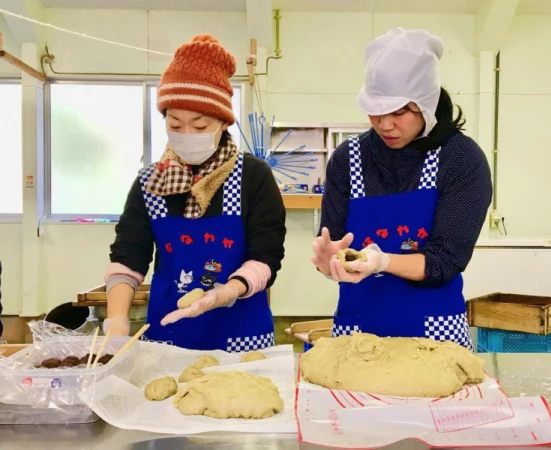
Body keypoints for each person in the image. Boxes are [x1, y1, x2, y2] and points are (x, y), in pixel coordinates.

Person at [310, 28, 492, 351]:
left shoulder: (462, 160)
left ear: (427, 104)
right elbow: (337, 247)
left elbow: (443, 262)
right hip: (357, 333)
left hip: (437, 336)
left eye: (400, 111)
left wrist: (382, 262)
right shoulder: (346, 161)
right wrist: (330, 264)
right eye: (376, 110)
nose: (385, 124)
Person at [104, 35, 286, 351]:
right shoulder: (151, 183)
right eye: (175, 123)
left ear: (222, 122)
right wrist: (117, 319)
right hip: (168, 338)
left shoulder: (253, 177)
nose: (186, 135)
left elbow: (266, 255)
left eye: (200, 126)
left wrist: (228, 291)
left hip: (242, 339)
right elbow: (128, 257)